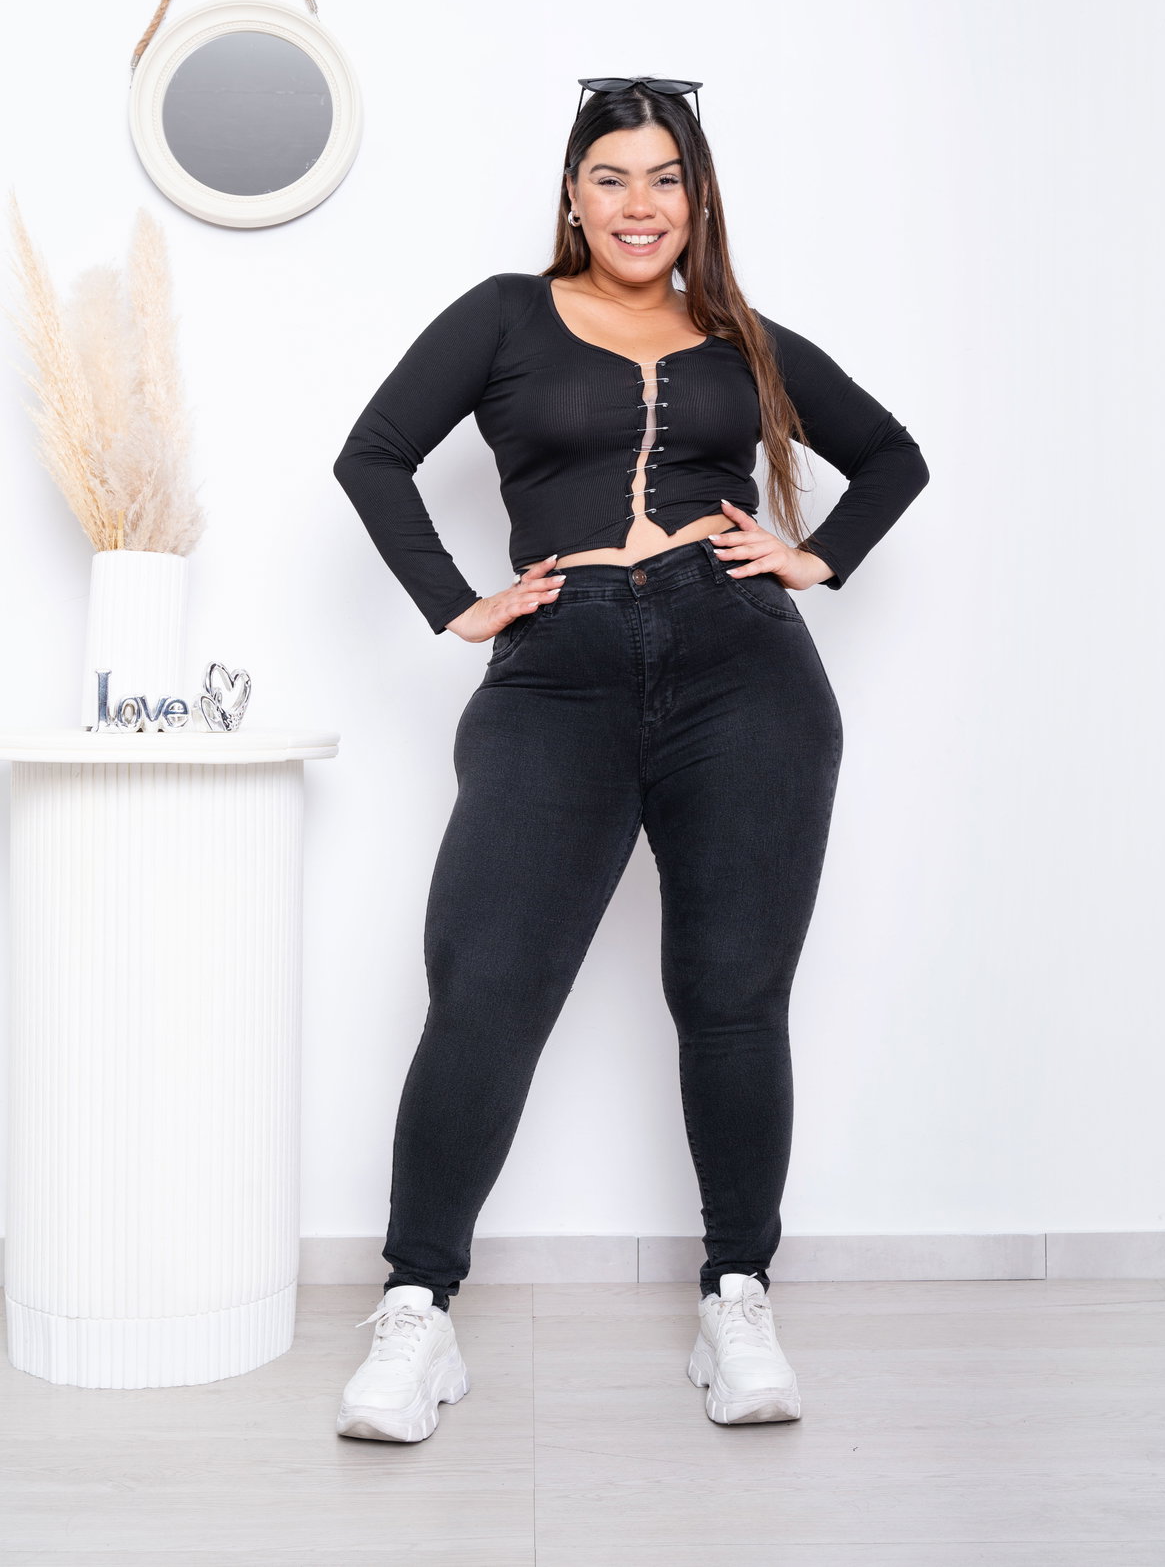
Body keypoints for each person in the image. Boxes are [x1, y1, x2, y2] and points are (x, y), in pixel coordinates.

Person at [330, 76, 930, 1442]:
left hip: (744, 670)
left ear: (697, 198)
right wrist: (456, 602)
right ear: (573, 193)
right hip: (559, 668)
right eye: (612, 176)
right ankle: (418, 1311)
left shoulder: (745, 342)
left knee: (733, 996)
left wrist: (814, 557)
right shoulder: (502, 317)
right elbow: (374, 456)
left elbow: (891, 456)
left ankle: (737, 1296)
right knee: (485, 988)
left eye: (666, 178)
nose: (639, 204)